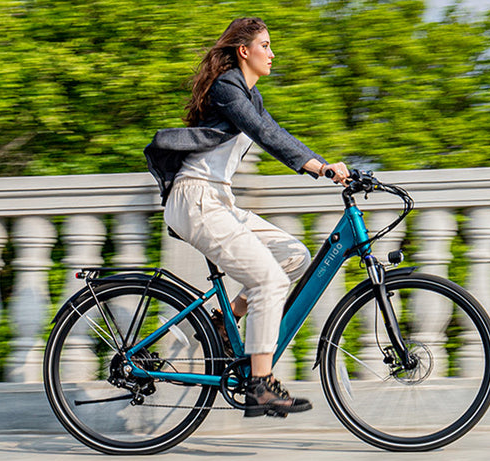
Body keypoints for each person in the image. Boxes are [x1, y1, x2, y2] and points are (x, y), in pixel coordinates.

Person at [145, 17, 349, 418]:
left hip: (219, 201)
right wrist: (320, 168)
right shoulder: (227, 88)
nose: (272, 54)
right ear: (245, 50)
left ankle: (225, 321)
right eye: (266, 45)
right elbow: (264, 134)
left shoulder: (249, 96)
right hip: (196, 199)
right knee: (269, 280)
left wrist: (323, 163)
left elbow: (272, 127)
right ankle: (260, 383)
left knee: (294, 256)